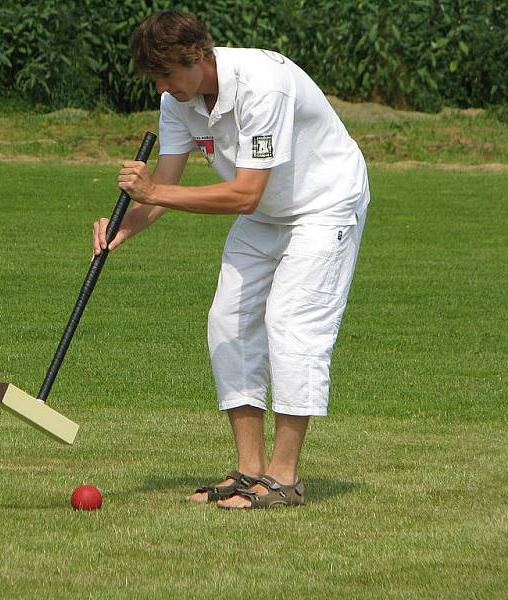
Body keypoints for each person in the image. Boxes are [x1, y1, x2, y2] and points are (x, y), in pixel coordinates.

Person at [92, 10, 369, 509]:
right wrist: (124, 227)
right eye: (156, 76)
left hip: (325, 204)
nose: (161, 85)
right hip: (268, 212)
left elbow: (243, 193)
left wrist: (154, 190)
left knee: (290, 321)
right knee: (228, 320)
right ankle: (248, 471)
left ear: (198, 56)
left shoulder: (264, 85)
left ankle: (284, 478)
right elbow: (166, 185)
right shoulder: (177, 101)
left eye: (168, 73)